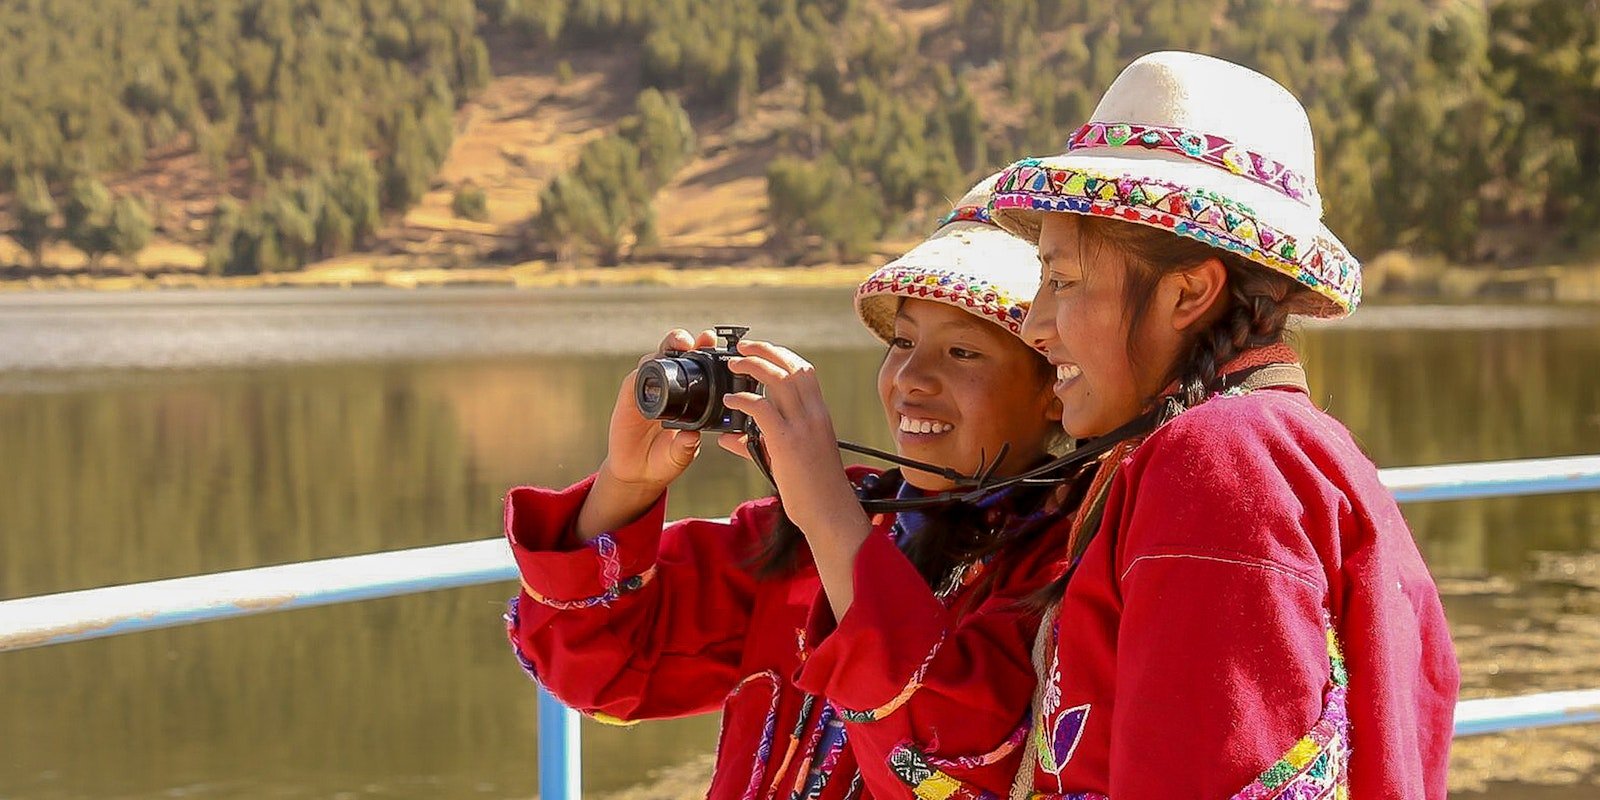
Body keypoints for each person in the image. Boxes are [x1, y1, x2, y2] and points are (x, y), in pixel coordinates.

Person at [502, 174, 1088, 798]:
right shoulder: (797, 536)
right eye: (902, 342)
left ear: (1056, 387)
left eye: (963, 353)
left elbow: (952, 763)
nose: (910, 378)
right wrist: (628, 482)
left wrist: (828, 514)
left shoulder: (1067, 565)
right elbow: (601, 668)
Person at [982, 51, 1461, 799]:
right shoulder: (1278, 447)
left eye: (1063, 280)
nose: (1033, 324)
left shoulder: (1216, 465)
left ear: (1188, 294)